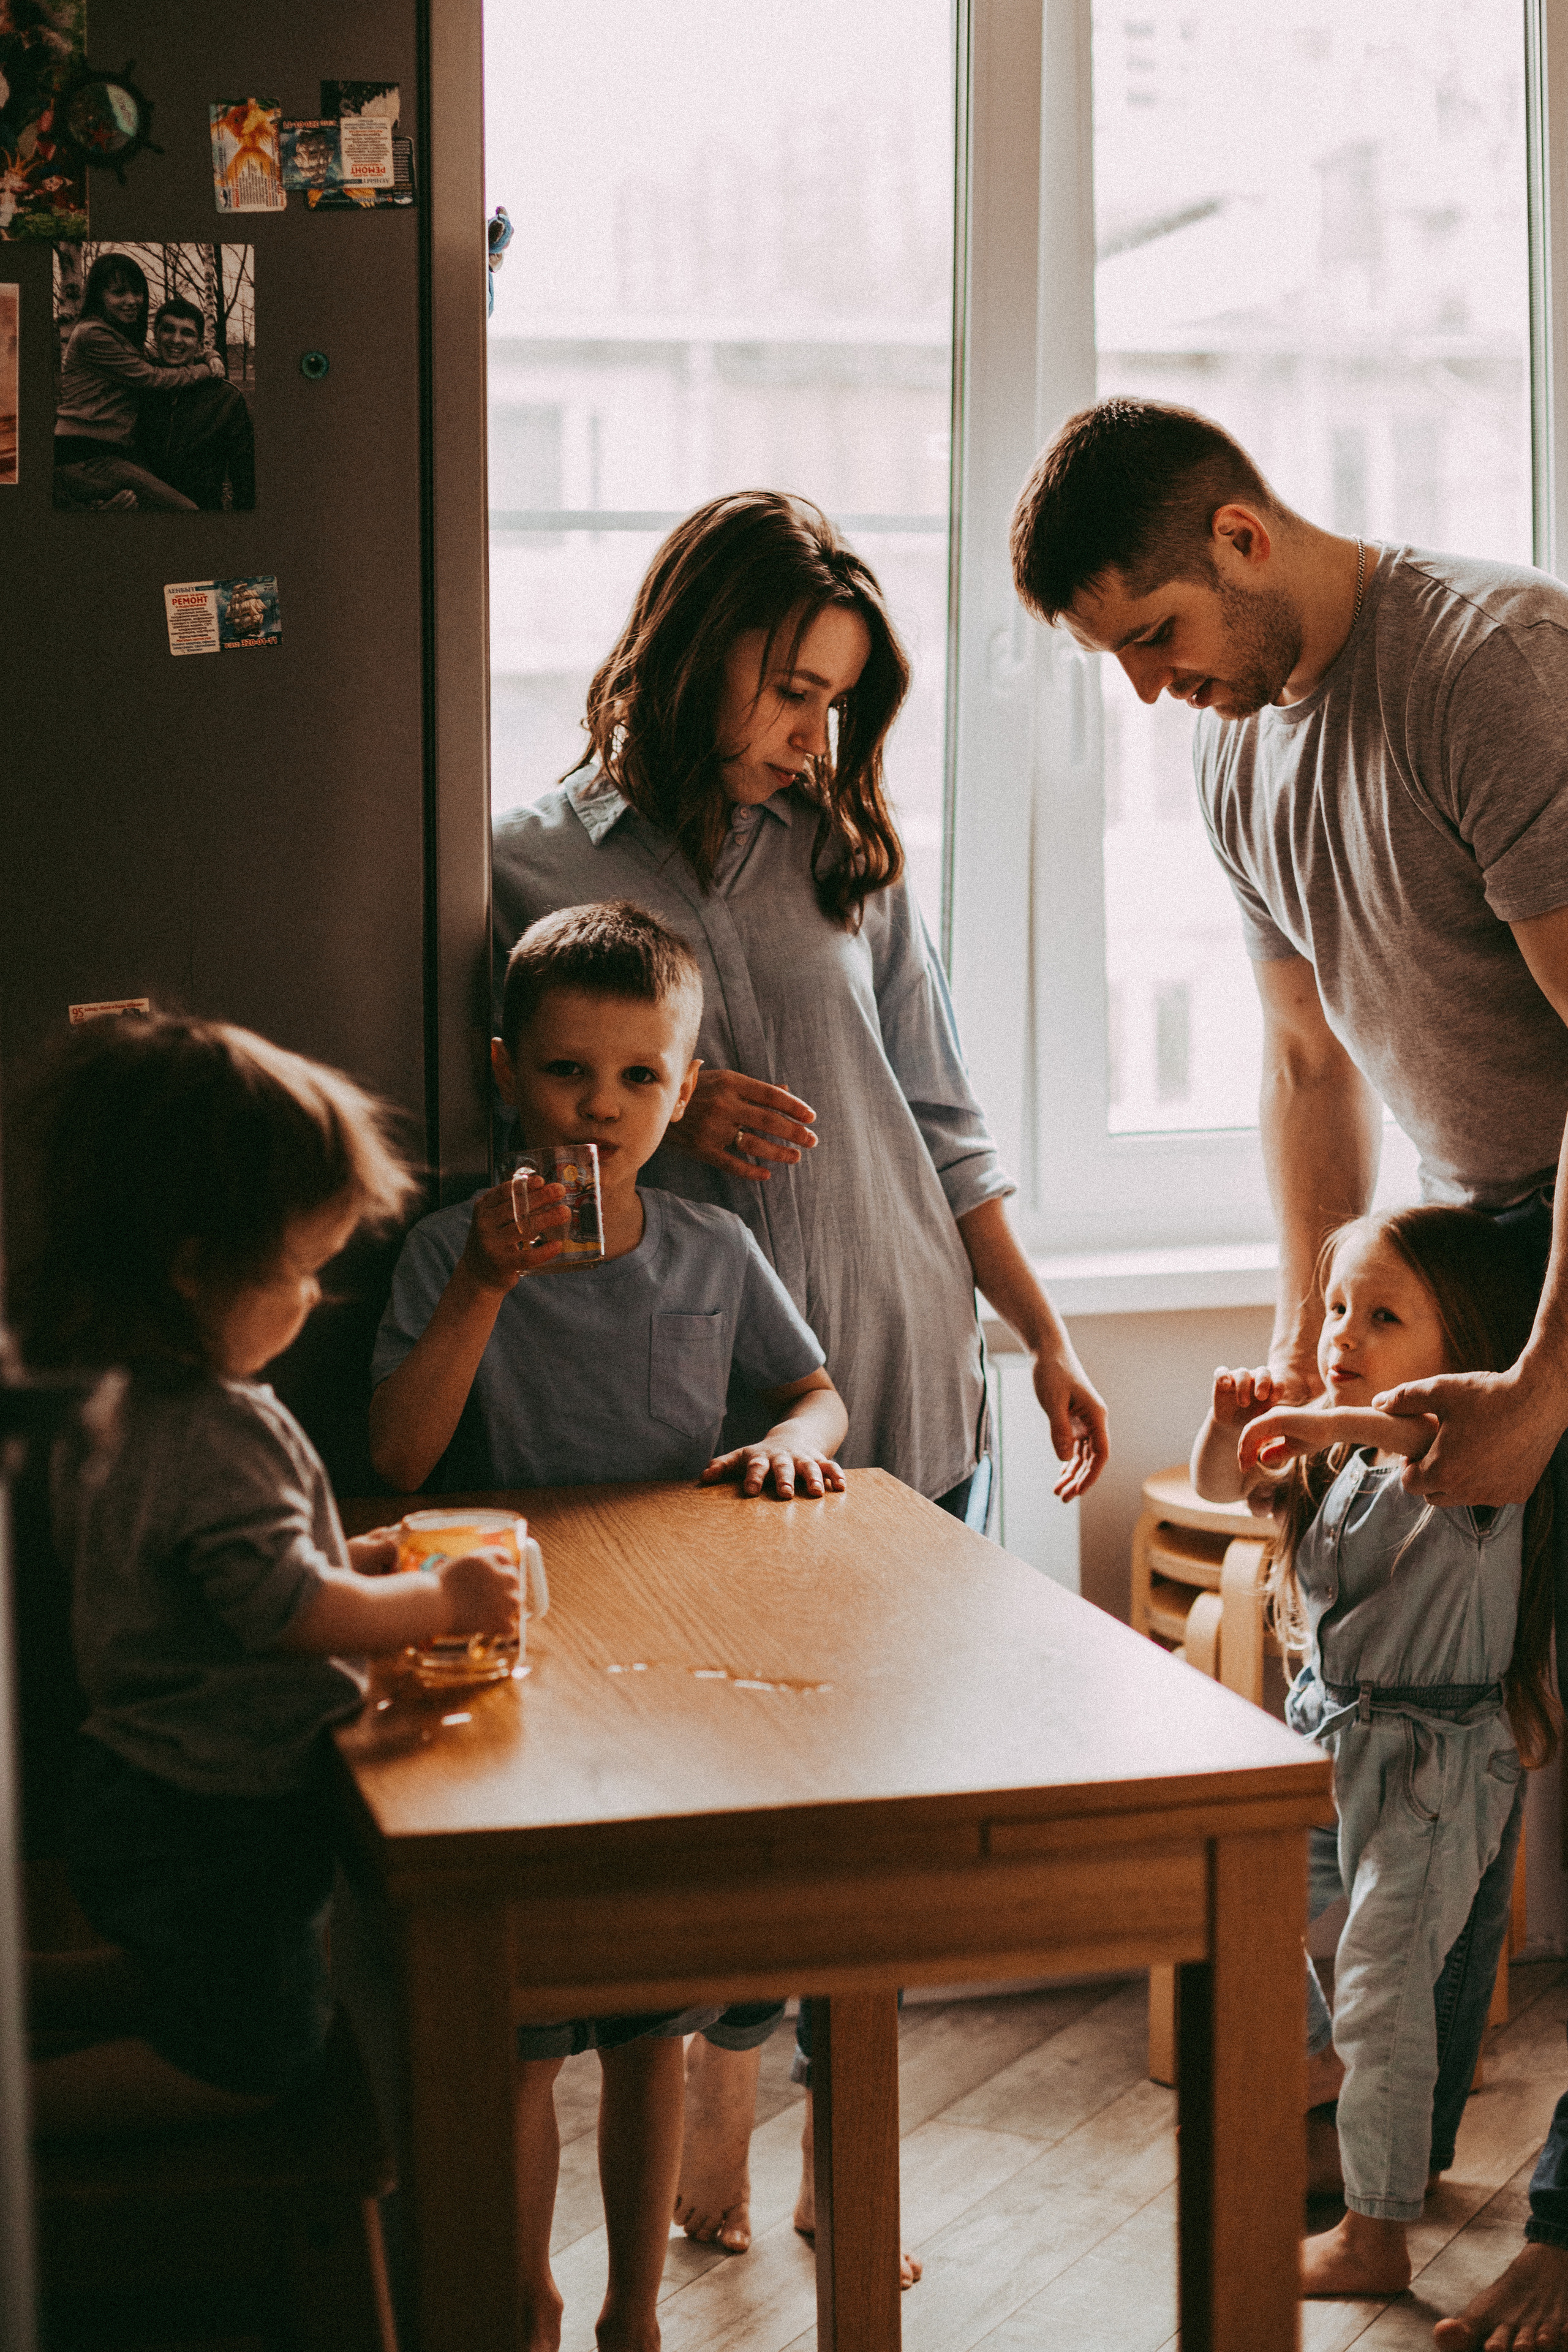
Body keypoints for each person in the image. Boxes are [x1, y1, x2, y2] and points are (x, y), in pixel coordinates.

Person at [491, 488, 1110, 2266]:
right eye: (785, 689)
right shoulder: (527, 860)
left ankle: (846, 2161)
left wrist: (1046, 1336)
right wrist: (671, 1126)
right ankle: (712, 2091)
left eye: (834, 701)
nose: (807, 733)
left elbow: (943, 1118)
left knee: (879, 1797)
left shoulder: (847, 853)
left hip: (901, 1355)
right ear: (695, 654)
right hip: (694, 1403)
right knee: (720, 1785)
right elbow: (513, 1121)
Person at [1010, 396, 1568, 2347]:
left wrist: (1545, 1383)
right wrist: (1294, 1365)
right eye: (1117, 660)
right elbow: (1305, 1065)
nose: (1150, 690)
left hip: (1556, 1252)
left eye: (1153, 633)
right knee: (1480, 1732)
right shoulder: (1240, 748)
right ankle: (1409, 2188)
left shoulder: (1486, 667)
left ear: (1242, 536)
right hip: (1491, 1240)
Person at [368, 899, 847, 2352]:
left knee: (653, 2013)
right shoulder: (448, 1249)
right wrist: (485, 1280)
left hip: (669, 1667)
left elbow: (812, 1389)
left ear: (683, 1092)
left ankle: (633, 2311)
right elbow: (396, 1460)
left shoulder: (708, 1246)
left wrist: (795, 1440)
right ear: (505, 1072)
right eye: (567, 1072)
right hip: (507, 1664)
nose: (600, 1106)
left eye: (639, 1077)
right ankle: (525, 2300)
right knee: (520, 2025)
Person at [13, 1011, 521, 2138]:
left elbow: (215, 1583)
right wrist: (435, 1600)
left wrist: (358, 1562)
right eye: (301, 1272)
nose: (313, 1301)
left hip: (141, 1788)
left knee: (189, 1972)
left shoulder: (116, 1402)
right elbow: (286, 1611)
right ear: (195, 1268)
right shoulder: (217, 1429)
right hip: (215, 1816)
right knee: (259, 2055)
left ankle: (42, 2002)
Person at [1193, 1208, 1558, 2299]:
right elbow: (1222, 1485)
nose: (1343, 1334)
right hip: (1329, 1742)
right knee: (1249, 1909)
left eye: (1384, 1317)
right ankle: (1329, 2074)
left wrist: (1312, 1421)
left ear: (1468, 1352)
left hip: (1433, 1772)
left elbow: (1421, 1436)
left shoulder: (1476, 1466)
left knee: (1387, 2002)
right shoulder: (1343, 1454)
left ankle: (1376, 2235)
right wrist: (1234, 1425)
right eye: (1339, 1308)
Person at [52, 254, 224, 510]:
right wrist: (205, 370)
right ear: (98, 296)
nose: (132, 301)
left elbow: (158, 358)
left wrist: (208, 354)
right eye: (119, 293)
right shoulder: (92, 334)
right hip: (86, 456)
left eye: (137, 292)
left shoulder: (119, 337)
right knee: (187, 510)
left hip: (111, 454)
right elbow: (153, 377)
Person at [133, 294, 255, 511]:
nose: (176, 340)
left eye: (187, 333)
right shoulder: (136, 387)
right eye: (168, 329)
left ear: (199, 343)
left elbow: (245, 478)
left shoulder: (226, 398)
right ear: (155, 334)